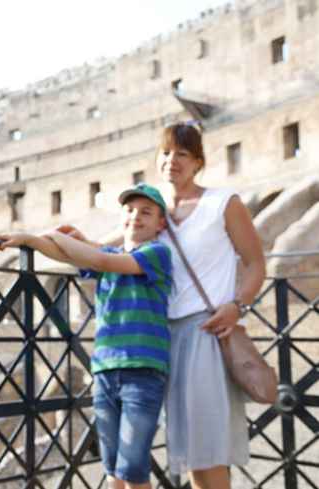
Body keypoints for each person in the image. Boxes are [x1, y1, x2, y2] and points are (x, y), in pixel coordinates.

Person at [64, 123, 266, 489]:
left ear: (198, 162)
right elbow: (118, 255)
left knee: (207, 443)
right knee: (187, 446)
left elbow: (255, 263)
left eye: (183, 154)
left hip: (204, 328)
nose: (173, 160)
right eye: (167, 153)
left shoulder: (222, 202)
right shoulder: (154, 213)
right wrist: (81, 242)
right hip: (157, 340)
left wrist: (238, 304)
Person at [0, 183, 172, 489]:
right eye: (129, 210)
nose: (136, 217)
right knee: (113, 466)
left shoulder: (157, 253)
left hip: (142, 372)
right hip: (104, 370)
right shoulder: (111, 253)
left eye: (146, 212)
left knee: (133, 466)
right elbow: (74, 255)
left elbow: (99, 260)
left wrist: (60, 236)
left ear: (161, 223)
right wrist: (29, 239)